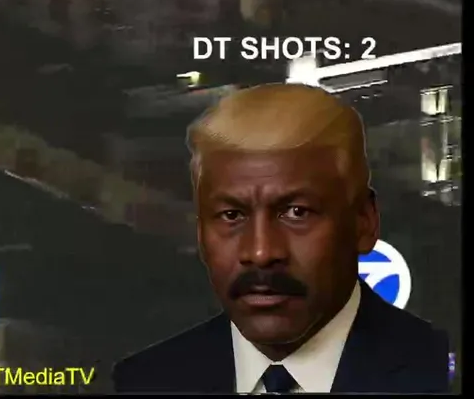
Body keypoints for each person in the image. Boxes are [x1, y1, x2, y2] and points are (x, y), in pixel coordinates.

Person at [113, 83, 450, 394]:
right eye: (231, 215)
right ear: (201, 232)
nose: (261, 252)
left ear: (364, 222)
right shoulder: (143, 381)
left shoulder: (437, 369)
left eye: (297, 212)